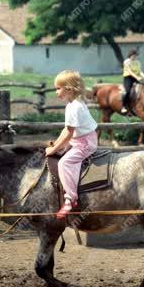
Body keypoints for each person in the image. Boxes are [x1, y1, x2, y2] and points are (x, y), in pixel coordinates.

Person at [46, 70, 98, 220]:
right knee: (59, 152)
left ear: (68, 89)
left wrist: (54, 149)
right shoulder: (72, 105)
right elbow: (66, 130)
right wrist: (56, 144)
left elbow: (69, 133)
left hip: (85, 143)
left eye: (58, 88)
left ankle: (70, 199)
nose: (56, 91)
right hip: (79, 139)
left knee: (64, 162)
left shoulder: (75, 107)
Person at [121, 48, 144, 114]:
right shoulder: (126, 61)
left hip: (136, 78)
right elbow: (130, 71)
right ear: (130, 55)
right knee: (127, 91)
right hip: (128, 77)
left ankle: (139, 105)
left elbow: (140, 71)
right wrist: (137, 77)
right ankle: (123, 106)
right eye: (133, 55)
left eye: (136, 56)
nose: (135, 57)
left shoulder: (138, 62)